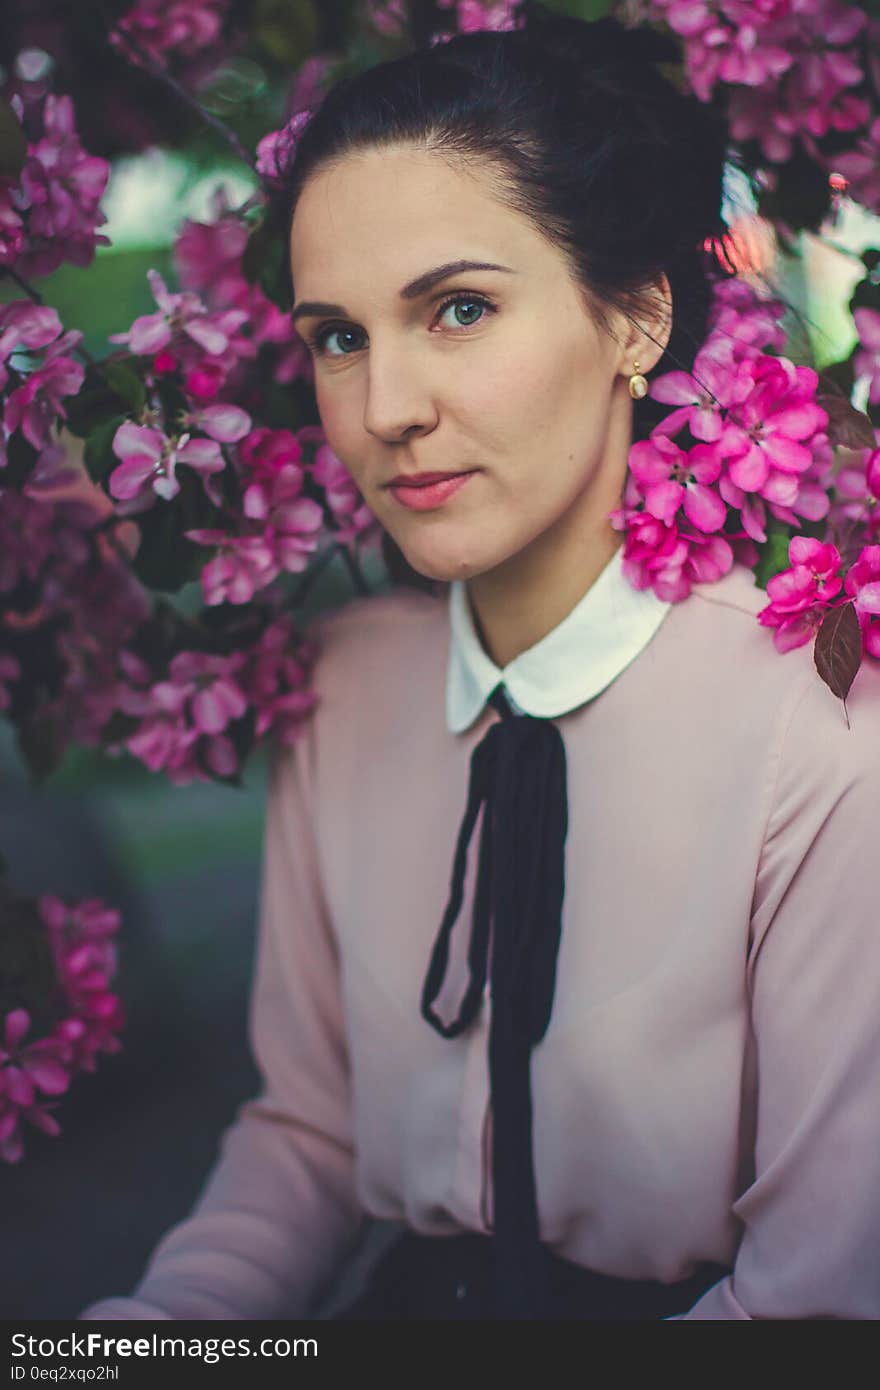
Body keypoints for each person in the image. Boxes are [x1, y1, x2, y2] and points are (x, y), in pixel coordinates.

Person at [79, 5, 880, 1321]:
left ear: (633, 320)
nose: (386, 407)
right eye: (338, 334)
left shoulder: (820, 738)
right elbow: (310, 1134)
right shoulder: (342, 688)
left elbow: (819, 1298)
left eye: (457, 308)